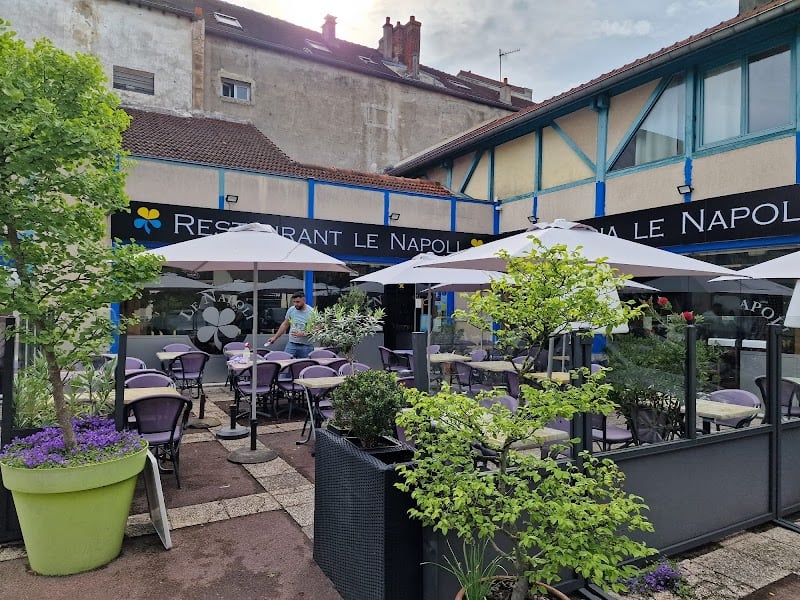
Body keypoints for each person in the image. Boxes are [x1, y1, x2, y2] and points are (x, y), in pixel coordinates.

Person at [268, 291, 316, 358]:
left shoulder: (312, 312)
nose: (295, 304)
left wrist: (304, 334)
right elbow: (285, 324)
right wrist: (275, 337)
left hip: (306, 346)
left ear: (304, 300)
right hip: (292, 344)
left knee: (304, 363)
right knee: (285, 361)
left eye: (298, 302)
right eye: (294, 302)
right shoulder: (291, 310)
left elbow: (316, 329)